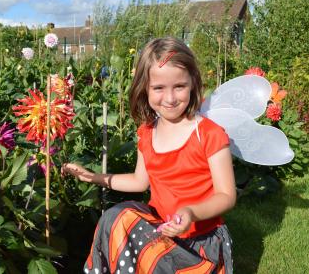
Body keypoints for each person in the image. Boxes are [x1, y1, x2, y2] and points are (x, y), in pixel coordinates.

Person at [62, 37, 236, 274]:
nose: (170, 98)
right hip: (161, 234)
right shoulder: (147, 132)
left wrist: (191, 213)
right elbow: (139, 181)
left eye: (179, 86)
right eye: (158, 88)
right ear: (144, 88)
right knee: (116, 217)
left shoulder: (208, 134)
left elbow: (226, 196)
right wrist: (93, 177)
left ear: (193, 83)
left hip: (200, 240)